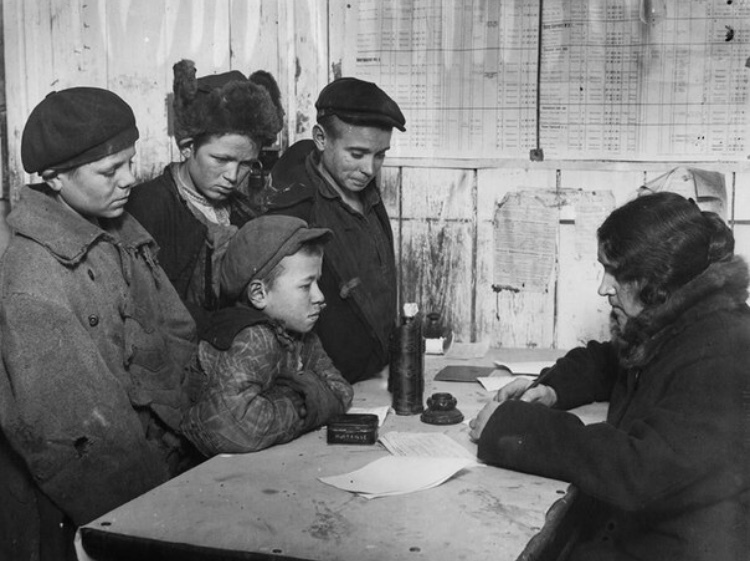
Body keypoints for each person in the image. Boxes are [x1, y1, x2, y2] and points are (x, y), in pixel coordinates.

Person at [469, 191, 750, 561]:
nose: (604, 287)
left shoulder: (724, 350)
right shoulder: (679, 321)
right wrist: (552, 389)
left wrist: (511, 427)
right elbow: (609, 360)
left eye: (616, 272)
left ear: (658, 277)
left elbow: (641, 471)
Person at [0, 88, 202, 561]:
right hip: (85, 515)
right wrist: (158, 521)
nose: (130, 180)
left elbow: (178, 336)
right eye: (110, 171)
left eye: (131, 162)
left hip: (164, 472)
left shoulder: (122, 234)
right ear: (53, 179)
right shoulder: (32, 280)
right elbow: (78, 441)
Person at [126, 59, 284, 334]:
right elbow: (147, 306)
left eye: (246, 163)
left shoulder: (245, 212)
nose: (233, 176)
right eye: (221, 159)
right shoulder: (147, 207)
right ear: (188, 147)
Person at [266, 77, 406, 384]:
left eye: (380, 154)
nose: (369, 169)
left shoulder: (366, 192)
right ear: (320, 138)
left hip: (376, 377)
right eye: (356, 154)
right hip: (328, 385)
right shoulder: (296, 209)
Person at [181, 215, 354, 455]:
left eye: (318, 282)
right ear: (259, 294)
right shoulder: (253, 339)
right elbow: (233, 429)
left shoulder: (302, 336)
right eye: (306, 286)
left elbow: (341, 390)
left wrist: (279, 398)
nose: (320, 296)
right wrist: (305, 401)